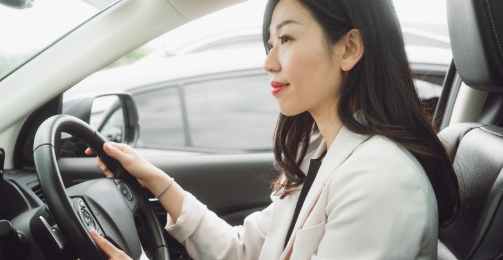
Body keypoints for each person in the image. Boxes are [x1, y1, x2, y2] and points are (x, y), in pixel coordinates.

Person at [86, 0, 460, 258]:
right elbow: (244, 251)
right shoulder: (321, 152)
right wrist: (156, 182)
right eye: (270, 43)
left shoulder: (382, 179)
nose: (268, 62)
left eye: (286, 39)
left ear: (349, 49)